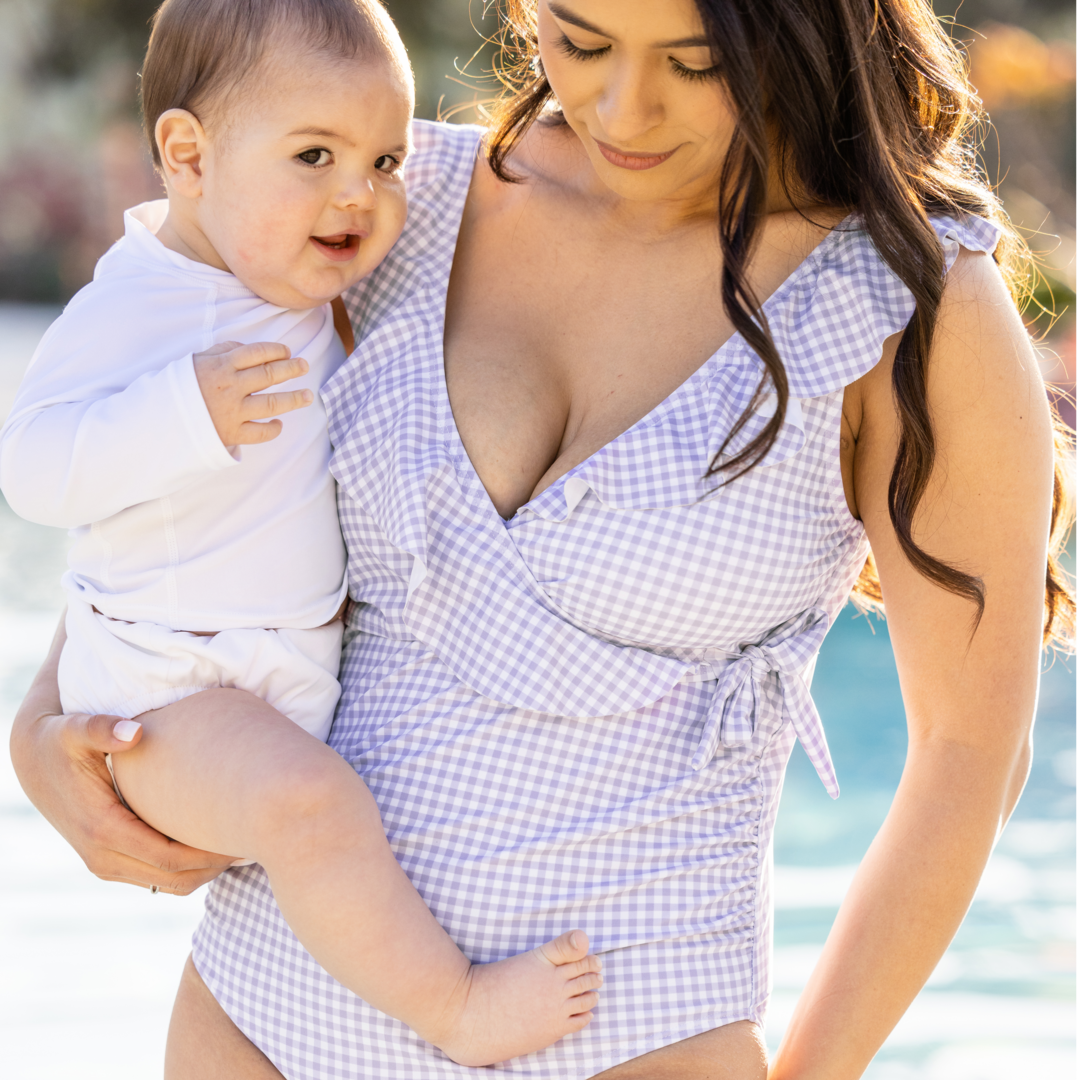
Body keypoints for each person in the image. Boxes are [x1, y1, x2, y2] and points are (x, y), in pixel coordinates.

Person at [11, 0, 1075, 1077]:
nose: (622, 106)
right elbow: (175, 494)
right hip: (263, 1018)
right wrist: (44, 728)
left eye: (695, 62)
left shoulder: (907, 300)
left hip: (632, 1037)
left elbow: (969, 755)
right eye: (582, 41)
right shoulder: (390, 200)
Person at [0, 0, 602, 1068]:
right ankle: (455, 1010)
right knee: (309, 808)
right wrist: (182, 412)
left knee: (314, 808)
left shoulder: (304, 278)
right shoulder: (143, 304)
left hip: (269, 676)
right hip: (165, 690)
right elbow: (34, 472)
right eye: (314, 155)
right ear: (187, 156)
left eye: (383, 159)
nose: (355, 195)